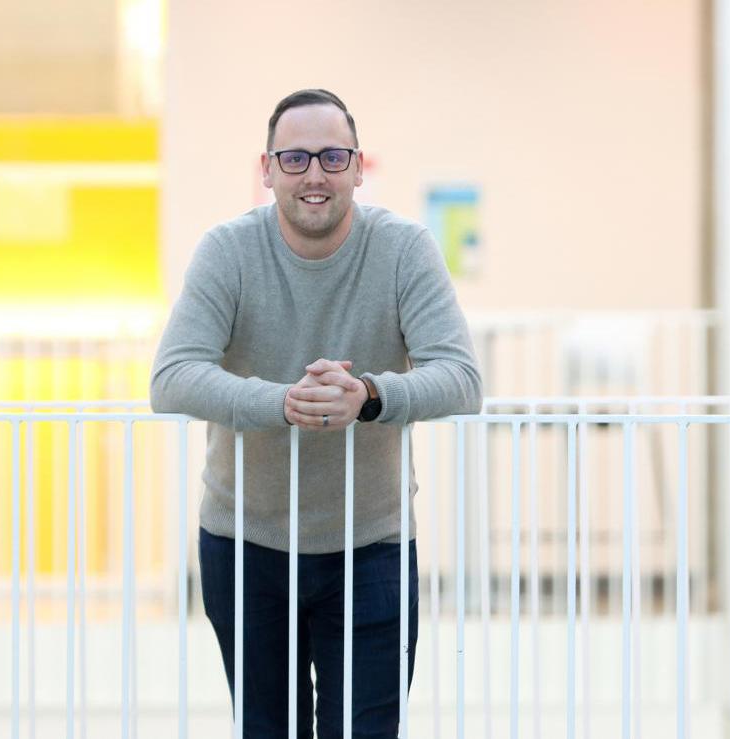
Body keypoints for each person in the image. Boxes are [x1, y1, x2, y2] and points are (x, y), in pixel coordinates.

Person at [150, 88, 482, 738]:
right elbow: (171, 377)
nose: (314, 175)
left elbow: (461, 377)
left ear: (360, 167)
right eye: (295, 158)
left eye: (332, 157)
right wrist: (282, 402)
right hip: (245, 542)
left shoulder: (404, 250)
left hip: (373, 544)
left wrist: (371, 397)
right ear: (267, 169)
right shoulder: (228, 251)